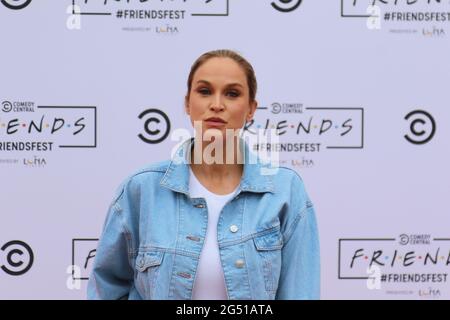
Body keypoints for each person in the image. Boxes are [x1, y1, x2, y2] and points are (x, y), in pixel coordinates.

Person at [87, 49, 320, 300]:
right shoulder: (141, 190)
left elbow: (300, 293)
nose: (216, 105)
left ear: (251, 109)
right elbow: (106, 288)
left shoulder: (285, 191)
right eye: (205, 91)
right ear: (187, 103)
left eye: (232, 94)